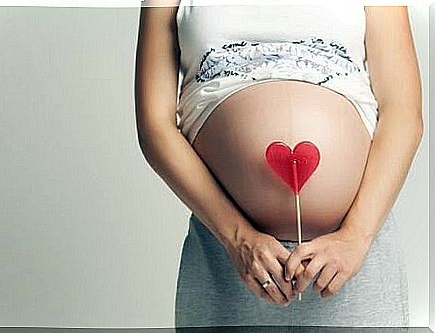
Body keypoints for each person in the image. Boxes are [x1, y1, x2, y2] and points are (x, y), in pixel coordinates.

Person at [135, 0, 423, 327]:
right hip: (229, 259)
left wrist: (355, 238)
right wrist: (237, 238)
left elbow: (403, 112)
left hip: (353, 259)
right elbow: (154, 126)